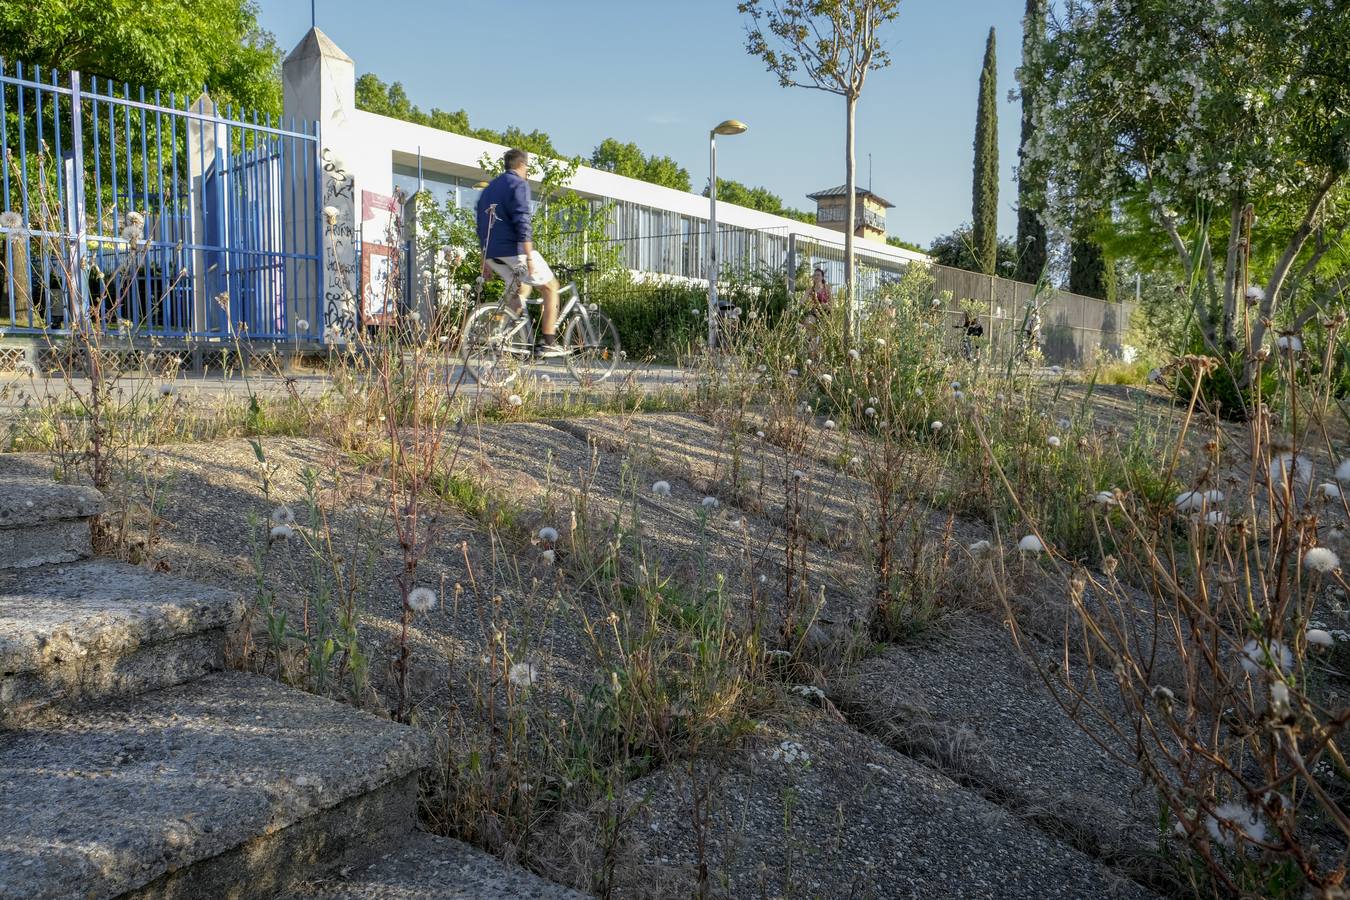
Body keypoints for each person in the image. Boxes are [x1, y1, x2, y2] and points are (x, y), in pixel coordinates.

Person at [475, 148, 565, 356]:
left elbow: (481, 225)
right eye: (527, 168)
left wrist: (484, 259)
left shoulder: (488, 190)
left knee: (520, 289)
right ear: (522, 165)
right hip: (513, 249)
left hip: (492, 252)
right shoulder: (518, 184)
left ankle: (508, 338)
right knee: (551, 287)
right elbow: (522, 219)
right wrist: (529, 255)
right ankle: (549, 342)